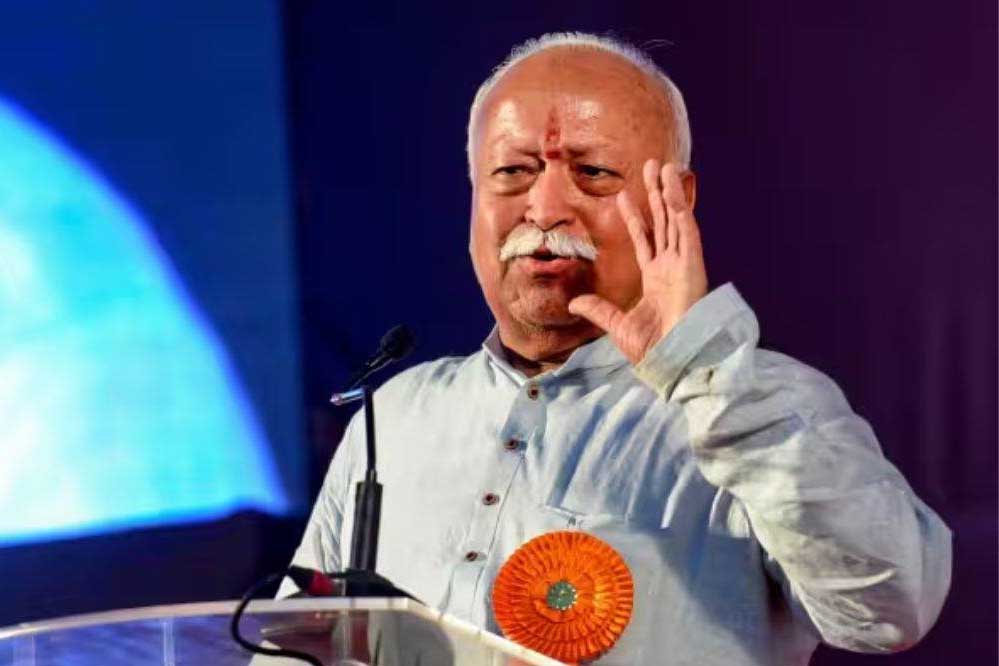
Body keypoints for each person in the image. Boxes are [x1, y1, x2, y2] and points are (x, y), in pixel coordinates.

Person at [280, 32, 951, 664]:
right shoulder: (398, 414)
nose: (545, 207)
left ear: (675, 200)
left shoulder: (762, 403)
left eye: (594, 172)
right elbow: (288, 647)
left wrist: (701, 373)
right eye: (511, 172)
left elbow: (887, 612)